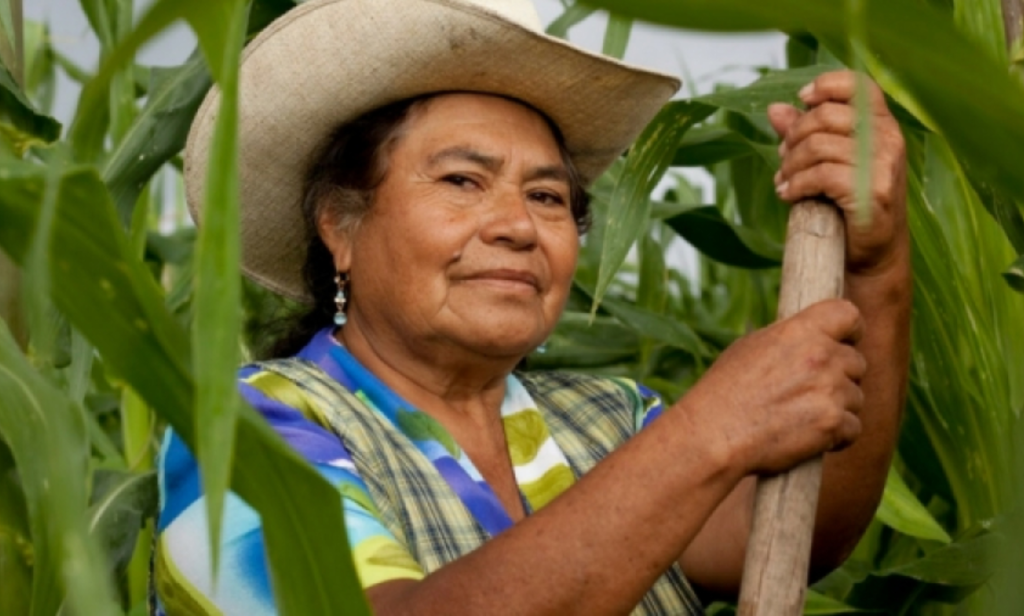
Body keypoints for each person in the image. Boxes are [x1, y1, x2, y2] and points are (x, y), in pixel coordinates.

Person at [154, 0, 910, 613]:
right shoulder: (243, 433)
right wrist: (710, 432)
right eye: (461, 181)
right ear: (340, 228)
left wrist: (874, 268)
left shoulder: (610, 423)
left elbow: (791, 532)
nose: (518, 225)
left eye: (547, 196)